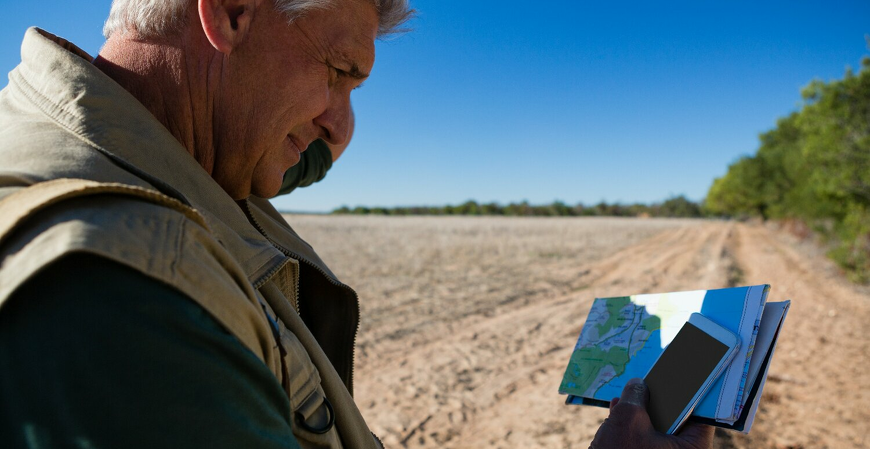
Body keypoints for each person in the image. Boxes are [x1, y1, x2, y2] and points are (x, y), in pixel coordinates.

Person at [0, 2, 713, 449]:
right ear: (232, 11)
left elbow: (302, 152)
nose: (340, 124)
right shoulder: (123, 297)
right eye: (340, 71)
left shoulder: (172, 149)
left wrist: (317, 135)